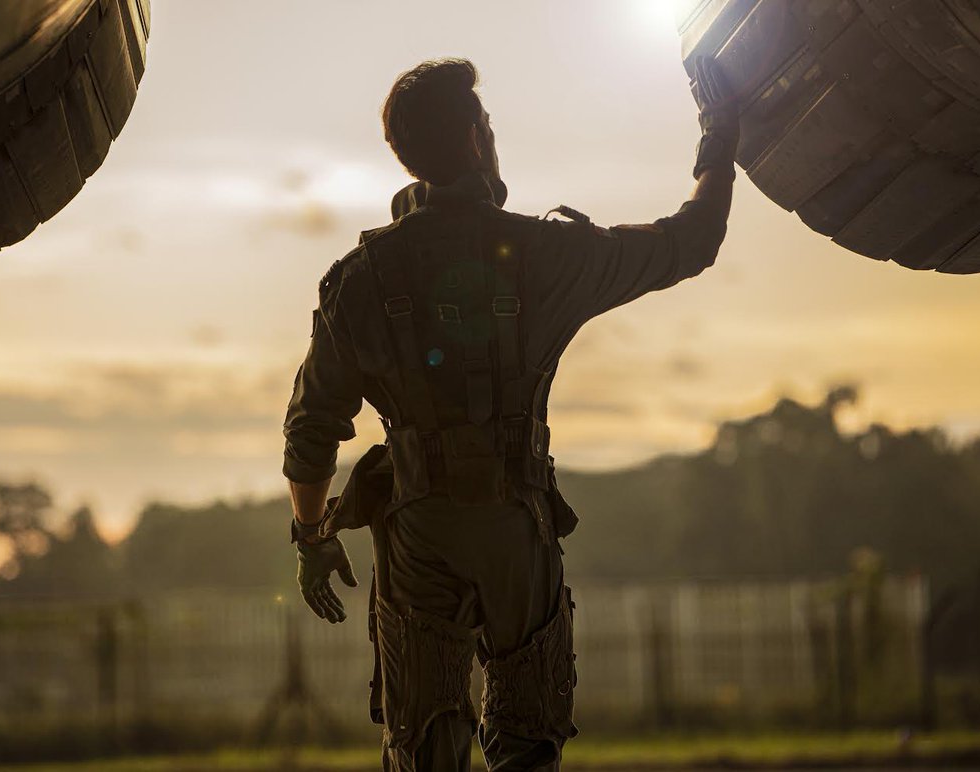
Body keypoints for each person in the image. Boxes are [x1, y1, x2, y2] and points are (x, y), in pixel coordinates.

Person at [282, 55, 739, 772]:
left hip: (418, 532)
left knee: (422, 748)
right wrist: (720, 136)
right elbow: (693, 240)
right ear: (472, 139)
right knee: (528, 742)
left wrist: (312, 540)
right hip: (514, 530)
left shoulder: (360, 280)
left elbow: (311, 433)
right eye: (487, 126)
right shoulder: (546, 254)